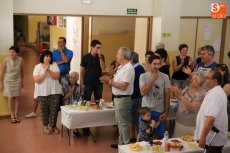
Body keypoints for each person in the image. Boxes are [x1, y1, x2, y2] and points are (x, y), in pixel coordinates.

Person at [25, 37, 73, 118]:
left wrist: (61, 52)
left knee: (64, 93)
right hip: (53, 74)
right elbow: (51, 63)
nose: (59, 44)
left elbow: (67, 60)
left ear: (65, 43)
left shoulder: (70, 52)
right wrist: (61, 62)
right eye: (58, 42)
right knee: (40, 93)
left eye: (61, 42)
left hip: (64, 75)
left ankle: (63, 110)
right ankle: (34, 112)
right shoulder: (53, 52)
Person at [100, 47, 135, 148]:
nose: (116, 55)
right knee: (120, 123)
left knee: (123, 124)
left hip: (123, 99)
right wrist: (110, 78)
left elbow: (124, 86)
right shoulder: (121, 67)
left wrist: (109, 81)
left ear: (123, 56)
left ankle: (126, 146)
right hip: (118, 98)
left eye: (118, 54)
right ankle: (121, 144)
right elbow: (117, 80)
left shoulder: (128, 68)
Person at [195, 70, 228, 153]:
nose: (204, 80)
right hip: (212, 140)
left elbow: (210, 119)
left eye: (207, 78)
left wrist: (203, 137)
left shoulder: (215, 95)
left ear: (214, 81)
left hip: (212, 141)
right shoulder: (217, 91)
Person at [139, 54, 171, 139]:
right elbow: (143, 92)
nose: (157, 66)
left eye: (158, 64)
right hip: (146, 111)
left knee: (158, 137)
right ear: (149, 64)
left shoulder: (165, 77)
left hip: (159, 111)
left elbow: (167, 96)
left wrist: (166, 112)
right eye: (154, 64)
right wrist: (152, 79)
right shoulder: (143, 76)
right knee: (144, 135)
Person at [33, 50, 62, 134]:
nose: (48, 58)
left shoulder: (54, 65)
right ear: (43, 57)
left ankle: (53, 126)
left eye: (50, 56)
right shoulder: (37, 67)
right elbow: (37, 80)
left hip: (54, 91)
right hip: (42, 92)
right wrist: (45, 71)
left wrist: (49, 70)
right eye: (46, 56)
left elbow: (56, 76)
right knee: (44, 110)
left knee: (54, 109)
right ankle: (45, 126)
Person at [80, 39, 105, 135]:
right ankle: (85, 123)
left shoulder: (101, 56)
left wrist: (100, 57)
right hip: (88, 83)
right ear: (92, 47)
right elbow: (82, 70)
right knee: (86, 101)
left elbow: (103, 68)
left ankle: (98, 120)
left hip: (98, 83)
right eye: (97, 47)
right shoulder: (86, 57)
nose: (99, 49)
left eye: (100, 48)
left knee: (98, 101)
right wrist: (82, 83)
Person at [171, 72, 205, 137]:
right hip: (179, 120)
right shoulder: (188, 87)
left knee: (189, 144)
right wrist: (177, 91)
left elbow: (191, 107)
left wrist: (181, 97)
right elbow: (179, 95)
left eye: (194, 79)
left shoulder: (202, 94)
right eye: (192, 78)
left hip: (190, 124)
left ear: (200, 81)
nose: (191, 80)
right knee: (177, 143)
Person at [0, 45, 24, 123]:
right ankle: (12, 115)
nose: (11, 53)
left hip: (17, 80)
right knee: (10, 98)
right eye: (10, 52)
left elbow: (22, 72)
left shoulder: (21, 60)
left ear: (17, 53)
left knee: (17, 97)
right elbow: (1, 72)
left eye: (13, 52)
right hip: (8, 81)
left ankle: (16, 114)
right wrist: (0, 83)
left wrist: (22, 81)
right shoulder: (6, 60)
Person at [129, 51, 145, 142]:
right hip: (136, 96)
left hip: (135, 97)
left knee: (135, 119)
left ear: (131, 59)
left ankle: (139, 138)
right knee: (133, 118)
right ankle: (134, 137)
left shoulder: (136, 69)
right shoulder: (139, 68)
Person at [62, 71, 82, 137]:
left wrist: (79, 95)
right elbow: (63, 98)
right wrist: (71, 92)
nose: (71, 79)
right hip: (67, 106)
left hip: (76, 106)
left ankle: (76, 129)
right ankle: (75, 129)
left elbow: (80, 100)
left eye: (73, 78)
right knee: (74, 113)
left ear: (77, 79)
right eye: (70, 77)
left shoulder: (79, 87)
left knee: (78, 112)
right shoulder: (65, 86)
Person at [215, 64, 230, 129]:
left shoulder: (228, 84)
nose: (216, 72)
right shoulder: (219, 82)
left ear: (223, 72)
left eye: (218, 71)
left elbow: (221, 98)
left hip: (225, 108)